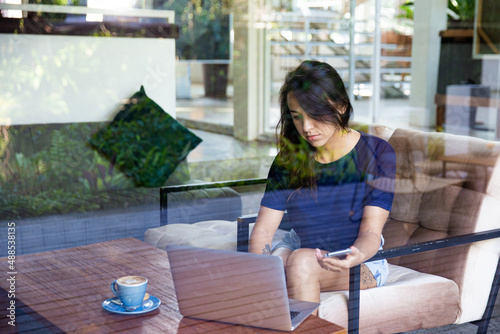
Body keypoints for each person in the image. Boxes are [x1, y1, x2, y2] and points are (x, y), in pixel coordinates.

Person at [249, 60, 396, 313]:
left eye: (315, 115)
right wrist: (260, 272)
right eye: (297, 117)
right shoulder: (289, 159)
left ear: (341, 107)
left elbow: (371, 232)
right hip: (300, 247)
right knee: (271, 265)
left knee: (301, 263)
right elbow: (263, 230)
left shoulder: (377, 153)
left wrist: (356, 255)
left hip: (363, 261)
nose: (306, 128)